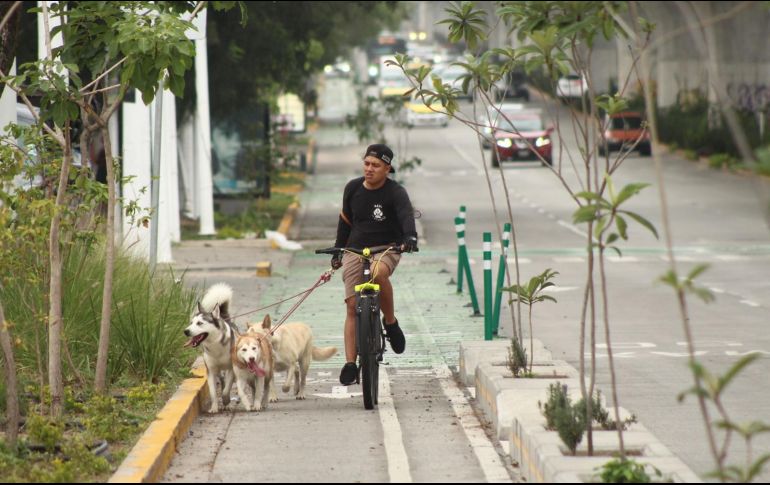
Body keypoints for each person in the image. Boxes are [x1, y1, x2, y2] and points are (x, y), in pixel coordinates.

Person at [331, 143, 418, 386]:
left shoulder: (396, 192)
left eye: (376, 165)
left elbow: (406, 217)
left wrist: (410, 238)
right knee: (351, 306)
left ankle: (390, 323)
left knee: (379, 273)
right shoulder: (352, 188)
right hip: (355, 250)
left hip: (387, 248)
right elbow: (345, 221)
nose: (369, 169)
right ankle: (350, 363)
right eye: (367, 164)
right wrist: (338, 250)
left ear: (387, 169)